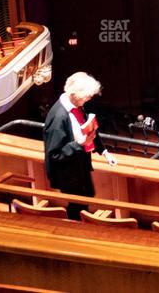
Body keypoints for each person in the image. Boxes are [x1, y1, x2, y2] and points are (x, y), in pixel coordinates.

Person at [44, 72, 117, 220]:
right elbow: (54, 154)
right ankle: (76, 232)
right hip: (69, 172)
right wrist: (78, 144)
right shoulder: (59, 117)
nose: (90, 98)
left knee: (88, 196)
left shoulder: (76, 105)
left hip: (79, 165)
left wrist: (104, 152)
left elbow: (89, 131)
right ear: (75, 94)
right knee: (77, 205)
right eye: (87, 95)